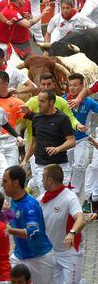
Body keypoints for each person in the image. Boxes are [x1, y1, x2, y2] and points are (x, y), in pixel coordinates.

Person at [40, 164, 97, 284]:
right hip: (51, 251)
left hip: (69, 250)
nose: (41, 181)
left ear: (50, 180)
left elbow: (80, 218)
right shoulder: (41, 198)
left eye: (43, 178)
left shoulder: (69, 197)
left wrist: (72, 232)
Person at [2, 166, 58, 284]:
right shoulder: (13, 200)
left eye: (5, 181)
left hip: (40, 259)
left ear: (15, 183)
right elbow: (13, 216)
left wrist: (9, 230)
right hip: (19, 257)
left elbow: (33, 232)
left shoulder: (30, 205)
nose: (2, 184)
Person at [21, 89, 76, 194]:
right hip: (41, 165)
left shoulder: (63, 118)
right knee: (47, 196)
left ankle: (32, 184)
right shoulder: (36, 118)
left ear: (51, 102)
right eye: (38, 101)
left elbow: (72, 141)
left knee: (61, 197)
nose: (39, 104)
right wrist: (25, 160)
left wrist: (57, 149)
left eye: (42, 101)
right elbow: (34, 143)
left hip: (60, 166)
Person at [63, 73, 98, 201]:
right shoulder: (62, 100)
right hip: (66, 140)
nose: (71, 88)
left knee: (79, 166)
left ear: (82, 86)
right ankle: (64, 196)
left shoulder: (89, 102)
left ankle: (75, 200)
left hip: (83, 140)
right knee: (65, 168)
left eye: (75, 85)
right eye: (70, 85)